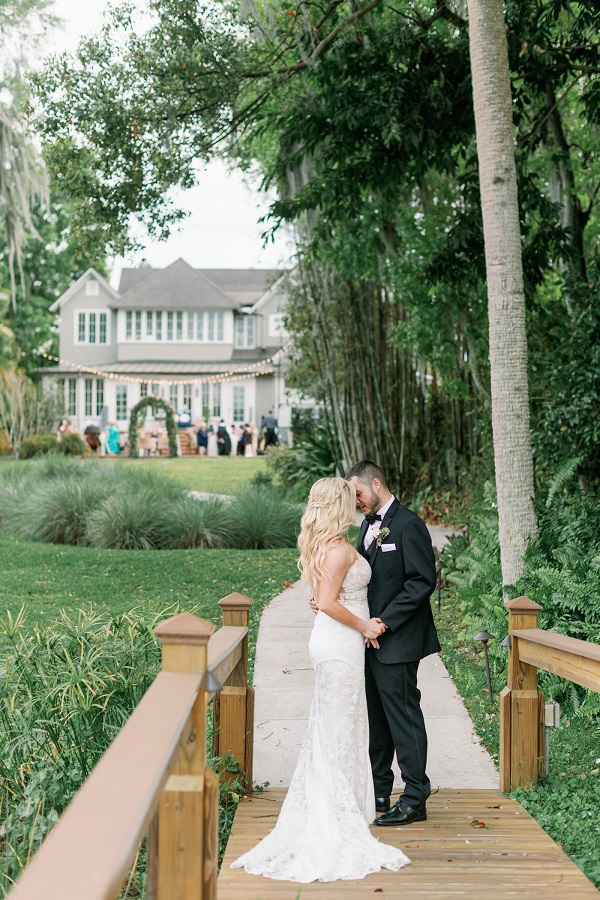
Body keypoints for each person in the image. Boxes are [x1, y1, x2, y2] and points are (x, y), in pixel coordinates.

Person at [231, 477, 410, 883]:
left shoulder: (329, 546)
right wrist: (365, 626)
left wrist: (333, 608)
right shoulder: (338, 550)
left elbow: (324, 599)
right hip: (339, 645)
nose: (355, 505)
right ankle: (332, 817)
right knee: (336, 730)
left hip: (336, 641)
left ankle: (340, 805)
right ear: (339, 506)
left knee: (337, 728)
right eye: (350, 500)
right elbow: (328, 602)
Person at [342, 460, 440, 827]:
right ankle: (379, 790)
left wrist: (384, 622)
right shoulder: (367, 528)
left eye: (359, 494)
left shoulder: (408, 524)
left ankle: (415, 797)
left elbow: (421, 581)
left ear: (377, 483)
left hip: (397, 639)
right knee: (377, 719)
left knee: (403, 717)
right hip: (367, 640)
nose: (357, 502)